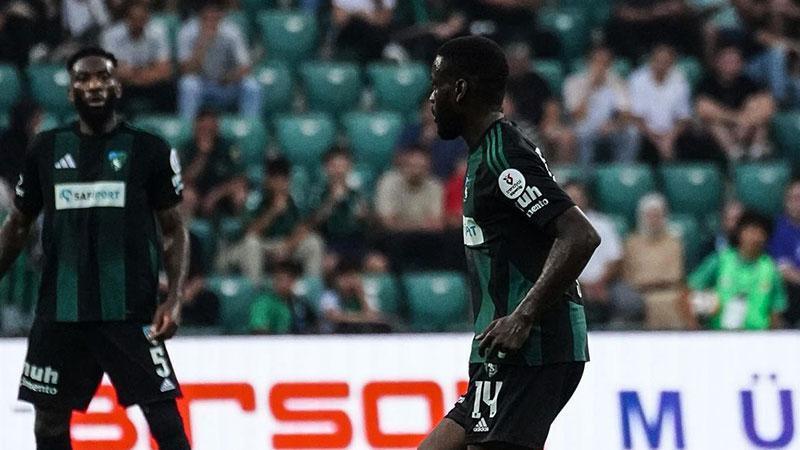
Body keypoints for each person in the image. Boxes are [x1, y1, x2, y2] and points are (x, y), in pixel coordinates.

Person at [0, 48, 190, 450]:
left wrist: (173, 299)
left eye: (102, 77)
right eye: (83, 80)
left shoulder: (149, 150)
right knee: (48, 424)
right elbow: (17, 225)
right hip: (60, 310)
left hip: (129, 310)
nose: (94, 86)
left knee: (165, 421)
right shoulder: (45, 149)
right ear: (71, 92)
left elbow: (174, 229)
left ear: (117, 86)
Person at [419, 36, 600, 450]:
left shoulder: (502, 157)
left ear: (459, 90)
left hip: (532, 347)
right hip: (500, 348)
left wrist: (523, 317)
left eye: (436, 85)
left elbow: (580, 235)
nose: (431, 98)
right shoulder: (486, 153)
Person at [218, 156, 324, 281]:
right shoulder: (255, 199)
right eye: (275, 178)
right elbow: (251, 232)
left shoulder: (294, 199)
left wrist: (287, 247)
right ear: (267, 179)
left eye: (284, 178)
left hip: (284, 244)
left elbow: (303, 229)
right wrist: (273, 211)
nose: (280, 183)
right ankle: (254, 288)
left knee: (313, 242)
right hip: (260, 245)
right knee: (252, 243)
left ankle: (312, 287)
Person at [689, 212, 787, 330]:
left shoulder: (770, 268)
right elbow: (689, 289)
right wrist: (695, 329)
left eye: (761, 233)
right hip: (720, 335)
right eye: (751, 231)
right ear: (740, 233)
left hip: (758, 335)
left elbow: (776, 308)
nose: (755, 237)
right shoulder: (720, 260)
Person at [565, 181, 640, 327]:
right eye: (571, 197)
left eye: (578, 197)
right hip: (571, 284)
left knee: (631, 302)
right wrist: (582, 286)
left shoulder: (603, 224)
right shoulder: (558, 226)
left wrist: (600, 283)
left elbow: (615, 259)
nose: (575, 201)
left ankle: (617, 329)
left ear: (585, 198)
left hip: (606, 283)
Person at [177, 0, 262, 119]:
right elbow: (186, 70)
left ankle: (249, 124)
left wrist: (230, 77)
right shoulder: (187, 31)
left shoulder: (232, 31)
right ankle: (187, 125)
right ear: (200, 15)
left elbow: (245, 67)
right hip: (203, 85)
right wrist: (203, 43)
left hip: (226, 84)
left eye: (215, 15)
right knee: (188, 84)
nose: (211, 19)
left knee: (252, 86)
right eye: (207, 16)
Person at [695, 45, 776, 161]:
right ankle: (735, 155)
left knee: (761, 122)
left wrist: (746, 122)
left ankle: (757, 153)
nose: (730, 65)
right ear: (717, 63)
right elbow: (703, 109)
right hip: (717, 133)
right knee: (714, 124)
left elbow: (767, 106)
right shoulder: (706, 83)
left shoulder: (748, 83)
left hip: (745, 128)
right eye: (727, 61)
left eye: (735, 61)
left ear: (741, 64)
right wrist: (737, 119)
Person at [564, 46, 639, 166]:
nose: (601, 67)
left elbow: (625, 114)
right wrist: (590, 87)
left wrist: (613, 125)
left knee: (632, 133)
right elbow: (577, 116)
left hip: (610, 126)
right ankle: (585, 174)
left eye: (605, 63)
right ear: (588, 63)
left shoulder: (617, 82)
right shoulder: (574, 82)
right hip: (584, 126)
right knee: (583, 133)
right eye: (597, 62)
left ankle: (622, 171)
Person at [622, 193, 686, 329]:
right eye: (650, 216)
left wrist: (651, 281)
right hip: (637, 293)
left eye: (657, 216)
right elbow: (629, 275)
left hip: (668, 291)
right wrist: (647, 283)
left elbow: (675, 275)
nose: (654, 220)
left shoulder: (673, 242)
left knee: (672, 300)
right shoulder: (632, 242)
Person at [101, 1, 175, 114]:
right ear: (126, 19)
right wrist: (146, 71)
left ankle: (165, 122)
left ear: (147, 18)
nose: (138, 23)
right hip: (124, 84)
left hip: (149, 82)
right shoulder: (110, 35)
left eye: (142, 19)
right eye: (134, 19)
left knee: (168, 88)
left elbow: (165, 69)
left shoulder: (158, 31)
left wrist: (139, 75)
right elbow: (111, 70)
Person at [628, 44, 693, 162]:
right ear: (651, 61)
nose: (661, 65)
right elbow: (635, 118)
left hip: (671, 134)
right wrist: (657, 141)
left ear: (672, 63)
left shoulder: (680, 81)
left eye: (666, 61)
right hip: (645, 133)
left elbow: (684, 118)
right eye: (658, 61)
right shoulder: (637, 80)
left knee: (693, 136)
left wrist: (670, 138)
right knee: (632, 134)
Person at [181, 108, 247, 219]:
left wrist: (216, 194)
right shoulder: (187, 148)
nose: (207, 132)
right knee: (186, 195)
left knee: (240, 193)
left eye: (210, 129)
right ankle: (188, 227)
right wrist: (202, 155)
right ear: (196, 127)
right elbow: (185, 180)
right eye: (203, 129)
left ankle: (236, 226)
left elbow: (240, 179)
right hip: (197, 194)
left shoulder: (229, 147)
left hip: (222, 194)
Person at [307, 146, 370, 263]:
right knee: (329, 263)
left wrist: (365, 216)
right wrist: (332, 201)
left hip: (355, 241)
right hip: (329, 242)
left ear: (349, 167)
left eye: (342, 166)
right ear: (326, 168)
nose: (338, 171)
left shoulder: (357, 194)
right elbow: (312, 224)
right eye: (334, 166)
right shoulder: (318, 192)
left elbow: (370, 224)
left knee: (376, 263)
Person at [319, 259, 390, 333]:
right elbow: (335, 318)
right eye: (345, 278)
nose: (350, 282)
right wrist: (363, 317)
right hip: (330, 336)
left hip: (356, 335)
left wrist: (361, 296)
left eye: (353, 277)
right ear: (337, 279)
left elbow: (373, 316)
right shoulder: (329, 295)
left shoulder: (360, 295)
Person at [249, 261, 317, 334]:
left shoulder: (299, 302)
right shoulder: (263, 302)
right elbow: (259, 329)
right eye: (280, 279)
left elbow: (314, 323)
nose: (284, 284)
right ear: (274, 281)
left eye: (288, 279)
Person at [0, 99, 43, 208]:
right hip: (6, 188)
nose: (39, 122)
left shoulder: (37, 142)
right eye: (36, 118)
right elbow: (8, 170)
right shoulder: (7, 141)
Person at [769, 180, 800, 327]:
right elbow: (781, 268)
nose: (798, 203)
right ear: (786, 201)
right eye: (794, 198)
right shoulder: (776, 229)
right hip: (789, 294)